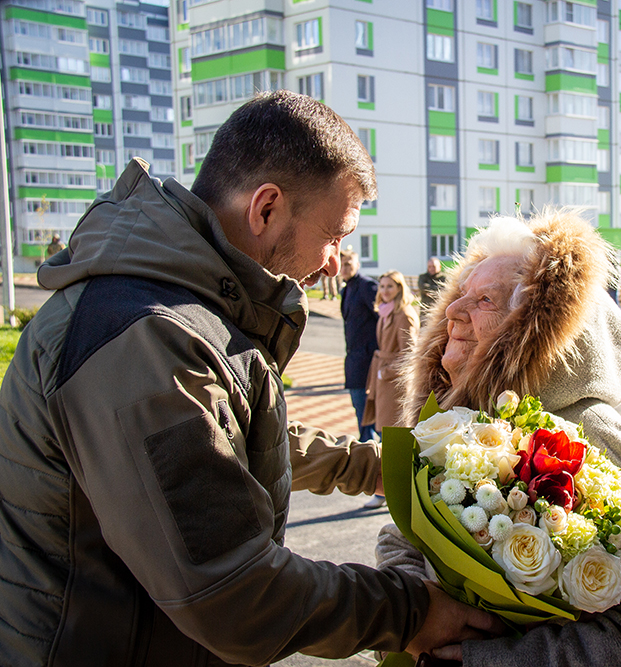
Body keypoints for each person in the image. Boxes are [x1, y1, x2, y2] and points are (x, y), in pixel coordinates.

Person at [0, 91, 501, 665]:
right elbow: (233, 591)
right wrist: (410, 611)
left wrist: (394, 469)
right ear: (265, 208)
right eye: (334, 235)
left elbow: (231, 437)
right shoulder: (142, 334)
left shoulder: (192, 308)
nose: (335, 262)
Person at [377, 207, 621, 666]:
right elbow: (401, 534)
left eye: (484, 302)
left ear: (536, 336)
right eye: (460, 294)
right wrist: (413, 609)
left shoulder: (608, 448)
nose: (452, 311)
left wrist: (498, 658)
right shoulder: (454, 427)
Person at [360, 270, 420, 509]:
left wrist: (386, 372)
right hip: (382, 377)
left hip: (394, 384)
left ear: (399, 289)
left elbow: (410, 353)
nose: (384, 291)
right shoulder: (385, 312)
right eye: (382, 286)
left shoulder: (404, 314)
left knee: (394, 437)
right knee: (386, 434)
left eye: (390, 287)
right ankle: (389, 490)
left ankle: (388, 492)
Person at [340, 246, 379, 442]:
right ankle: (367, 447)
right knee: (359, 407)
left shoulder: (366, 286)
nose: (344, 268)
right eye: (342, 264)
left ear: (357, 264)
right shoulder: (346, 289)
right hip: (354, 358)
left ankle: (370, 450)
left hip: (368, 359)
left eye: (348, 264)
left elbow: (382, 317)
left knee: (369, 410)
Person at [417, 257, 446, 322]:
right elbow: (423, 287)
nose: (431, 269)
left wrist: (430, 289)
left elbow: (442, 289)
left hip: (438, 309)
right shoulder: (423, 277)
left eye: (434, 266)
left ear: (440, 266)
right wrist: (434, 289)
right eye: (429, 266)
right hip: (425, 308)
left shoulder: (443, 278)